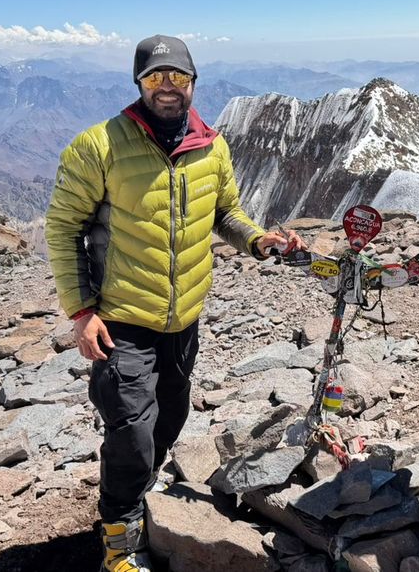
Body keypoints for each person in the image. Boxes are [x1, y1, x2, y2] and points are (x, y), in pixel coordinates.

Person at [45, 35, 304, 572]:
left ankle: (136, 495)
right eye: (155, 77)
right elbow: (64, 227)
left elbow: (225, 213)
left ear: (192, 83)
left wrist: (260, 241)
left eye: (178, 77)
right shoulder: (99, 146)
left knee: (170, 418)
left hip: (183, 317)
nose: (167, 87)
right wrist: (82, 311)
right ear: (138, 83)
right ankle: (118, 538)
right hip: (121, 319)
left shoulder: (213, 146)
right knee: (132, 431)